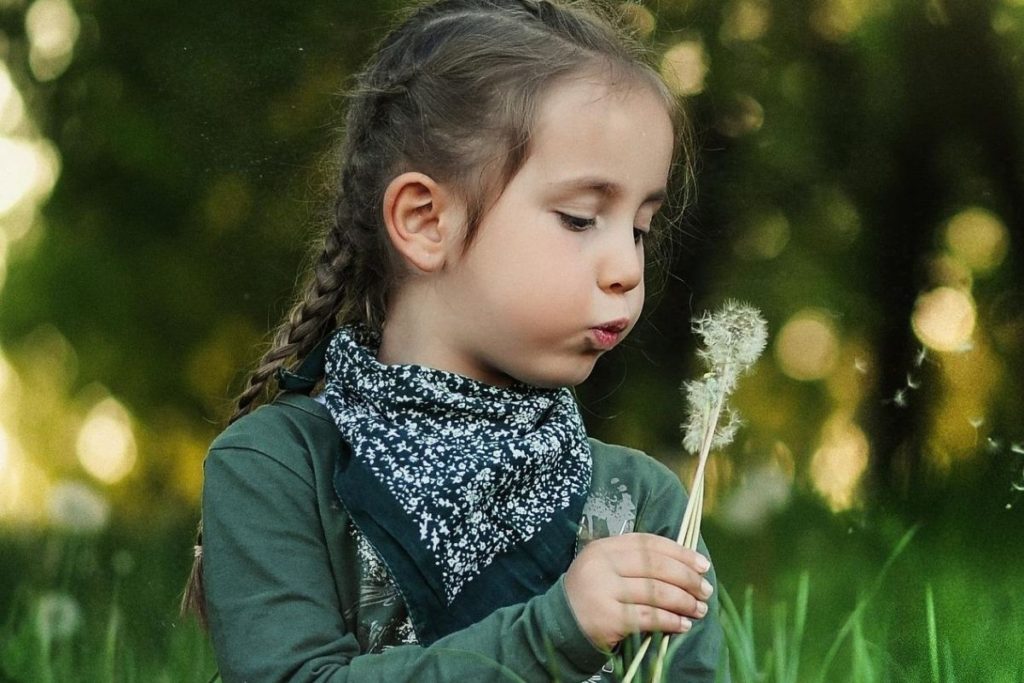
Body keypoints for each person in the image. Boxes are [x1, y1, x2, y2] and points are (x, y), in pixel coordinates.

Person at [181, 0, 729, 680]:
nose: (627, 268)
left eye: (640, 228)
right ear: (425, 220)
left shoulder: (643, 504)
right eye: (582, 217)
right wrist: (557, 630)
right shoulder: (278, 467)